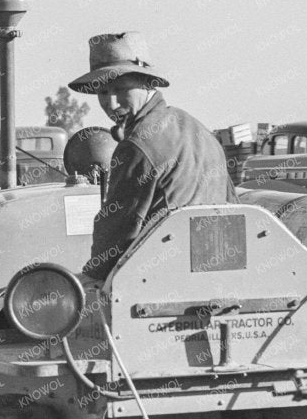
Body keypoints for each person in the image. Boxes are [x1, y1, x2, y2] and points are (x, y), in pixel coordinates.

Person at [67, 33, 231, 281]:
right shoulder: (197, 128)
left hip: (161, 279)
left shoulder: (137, 145)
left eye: (120, 89)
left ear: (147, 84)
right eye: (102, 92)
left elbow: (116, 234)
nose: (110, 104)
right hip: (216, 272)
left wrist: (90, 278)